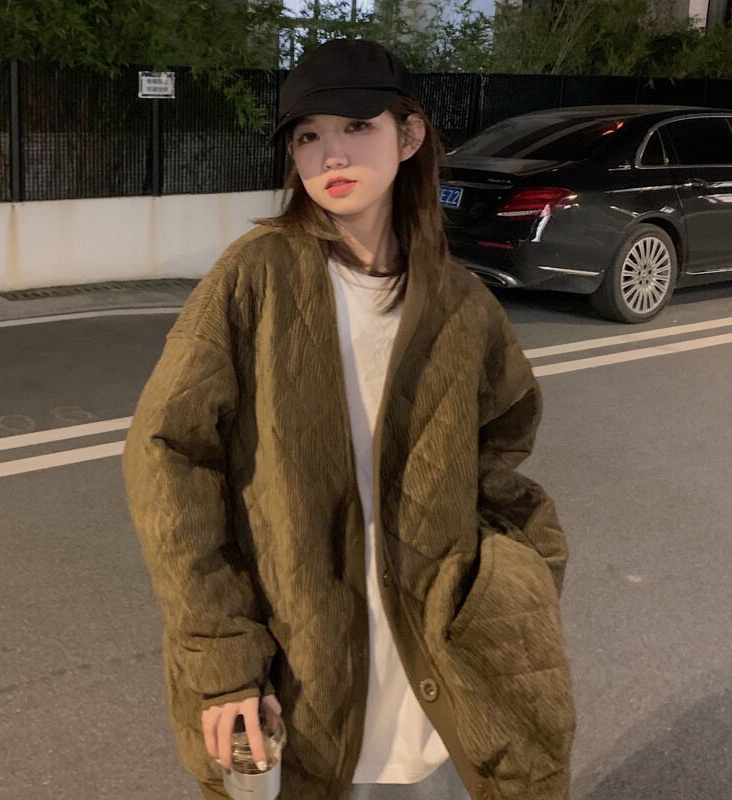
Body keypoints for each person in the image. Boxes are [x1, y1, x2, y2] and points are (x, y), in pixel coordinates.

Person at [121, 38, 577, 800]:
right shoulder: (254, 277)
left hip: (435, 661)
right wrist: (222, 654)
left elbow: (502, 453)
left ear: (410, 134)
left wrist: (514, 579)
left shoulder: (462, 304)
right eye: (308, 135)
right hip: (296, 665)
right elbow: (165, 452)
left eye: (357, 126)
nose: (331, 152)